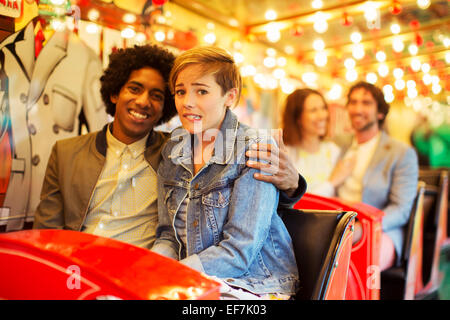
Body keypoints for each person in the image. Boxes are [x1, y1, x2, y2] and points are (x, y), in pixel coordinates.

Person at [33, 44, 306, 250]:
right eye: (134, 89)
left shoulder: (174, 151)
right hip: (77, 266)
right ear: (115, 92)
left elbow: (252, 195)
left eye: (157, 95)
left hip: (141, 267)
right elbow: (46, 233)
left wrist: (293, 184)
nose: (143, 102)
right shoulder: (67, 152)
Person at [152, 46, 299, 298]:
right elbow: (167, 235)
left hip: (255, 284)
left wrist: (174, 274)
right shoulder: (173, 148)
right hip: (193, 280)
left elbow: (239, 251)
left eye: (201, 91)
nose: (187, 102)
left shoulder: (253, 147)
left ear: (229, 96)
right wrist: (151, 270)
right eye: (180, 91)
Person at [336, 81, 419, 271]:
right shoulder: (339, 146)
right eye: (353, 102)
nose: (358, 109)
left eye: (366, 103)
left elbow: (400, 209)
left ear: (380, 112)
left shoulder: (401, 152)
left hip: (381, 230)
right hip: (340, 224)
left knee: (353, 264)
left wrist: (364, 227)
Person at [281, 88, 355, 197]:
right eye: (313, 110)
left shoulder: (334, 151)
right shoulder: (285, 155)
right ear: (297, 117)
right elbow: (297, 202)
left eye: (323, 108)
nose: (322, 116)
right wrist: (331, 183)